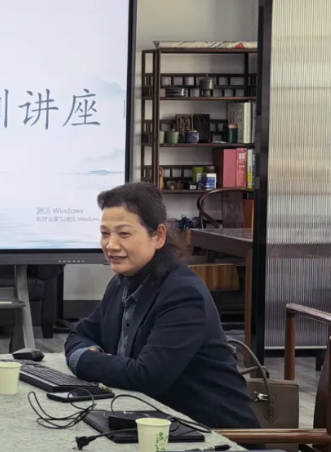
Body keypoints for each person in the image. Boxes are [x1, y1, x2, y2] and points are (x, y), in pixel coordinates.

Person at [64, 182, 260, 429]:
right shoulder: (121, 282)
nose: (111, 245)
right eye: (105, 234)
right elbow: (78, 335)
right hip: (153, 423)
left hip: (214, 435)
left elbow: (147, 377)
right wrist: (99, 358)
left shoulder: (183, 293)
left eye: (124, 234)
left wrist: (86, 360)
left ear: (158, 236)